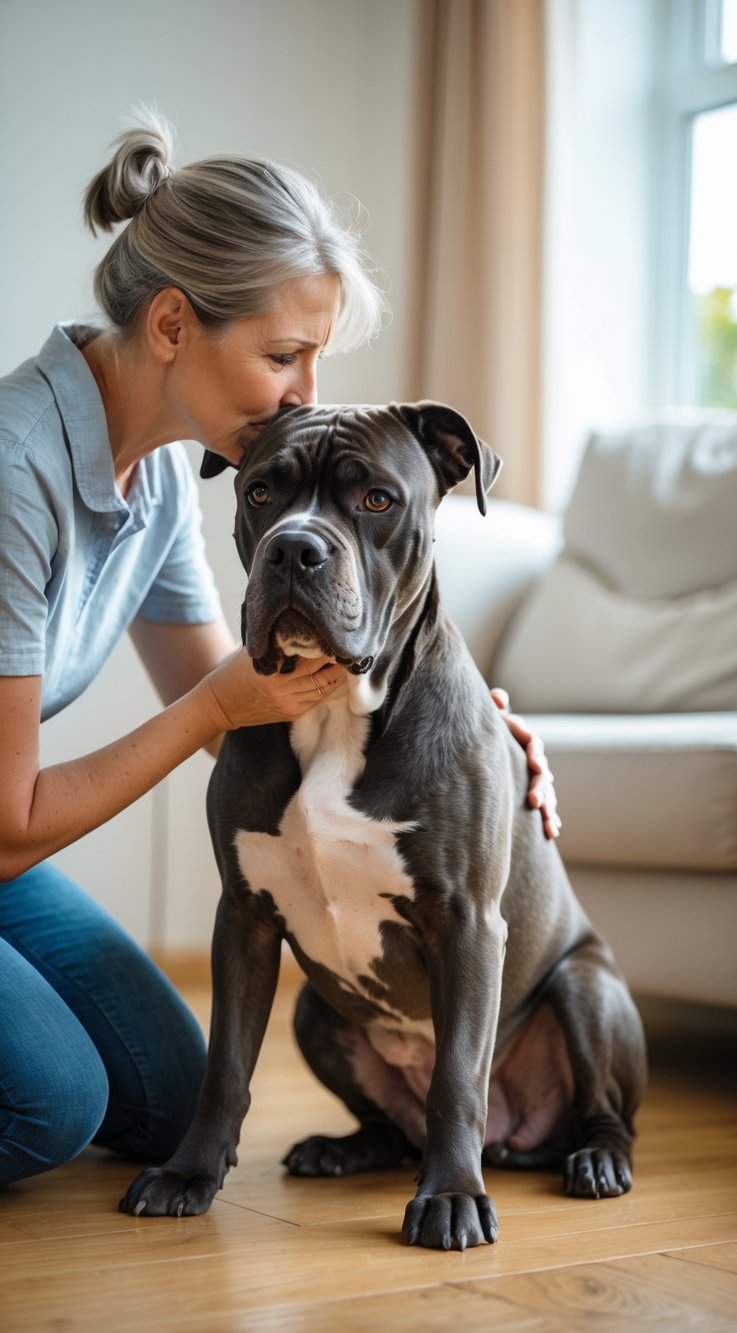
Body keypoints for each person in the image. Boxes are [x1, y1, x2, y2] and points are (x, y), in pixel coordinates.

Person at [0, 111, 560, 1189]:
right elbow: (34, 809)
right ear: (172, 323)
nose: (304, 394)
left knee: (166, 1093)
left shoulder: (162, 470)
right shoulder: (17, 467)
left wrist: (470, 743)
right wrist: (210, 709)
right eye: (283, 354)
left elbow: (259, 693)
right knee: (53, 1103)